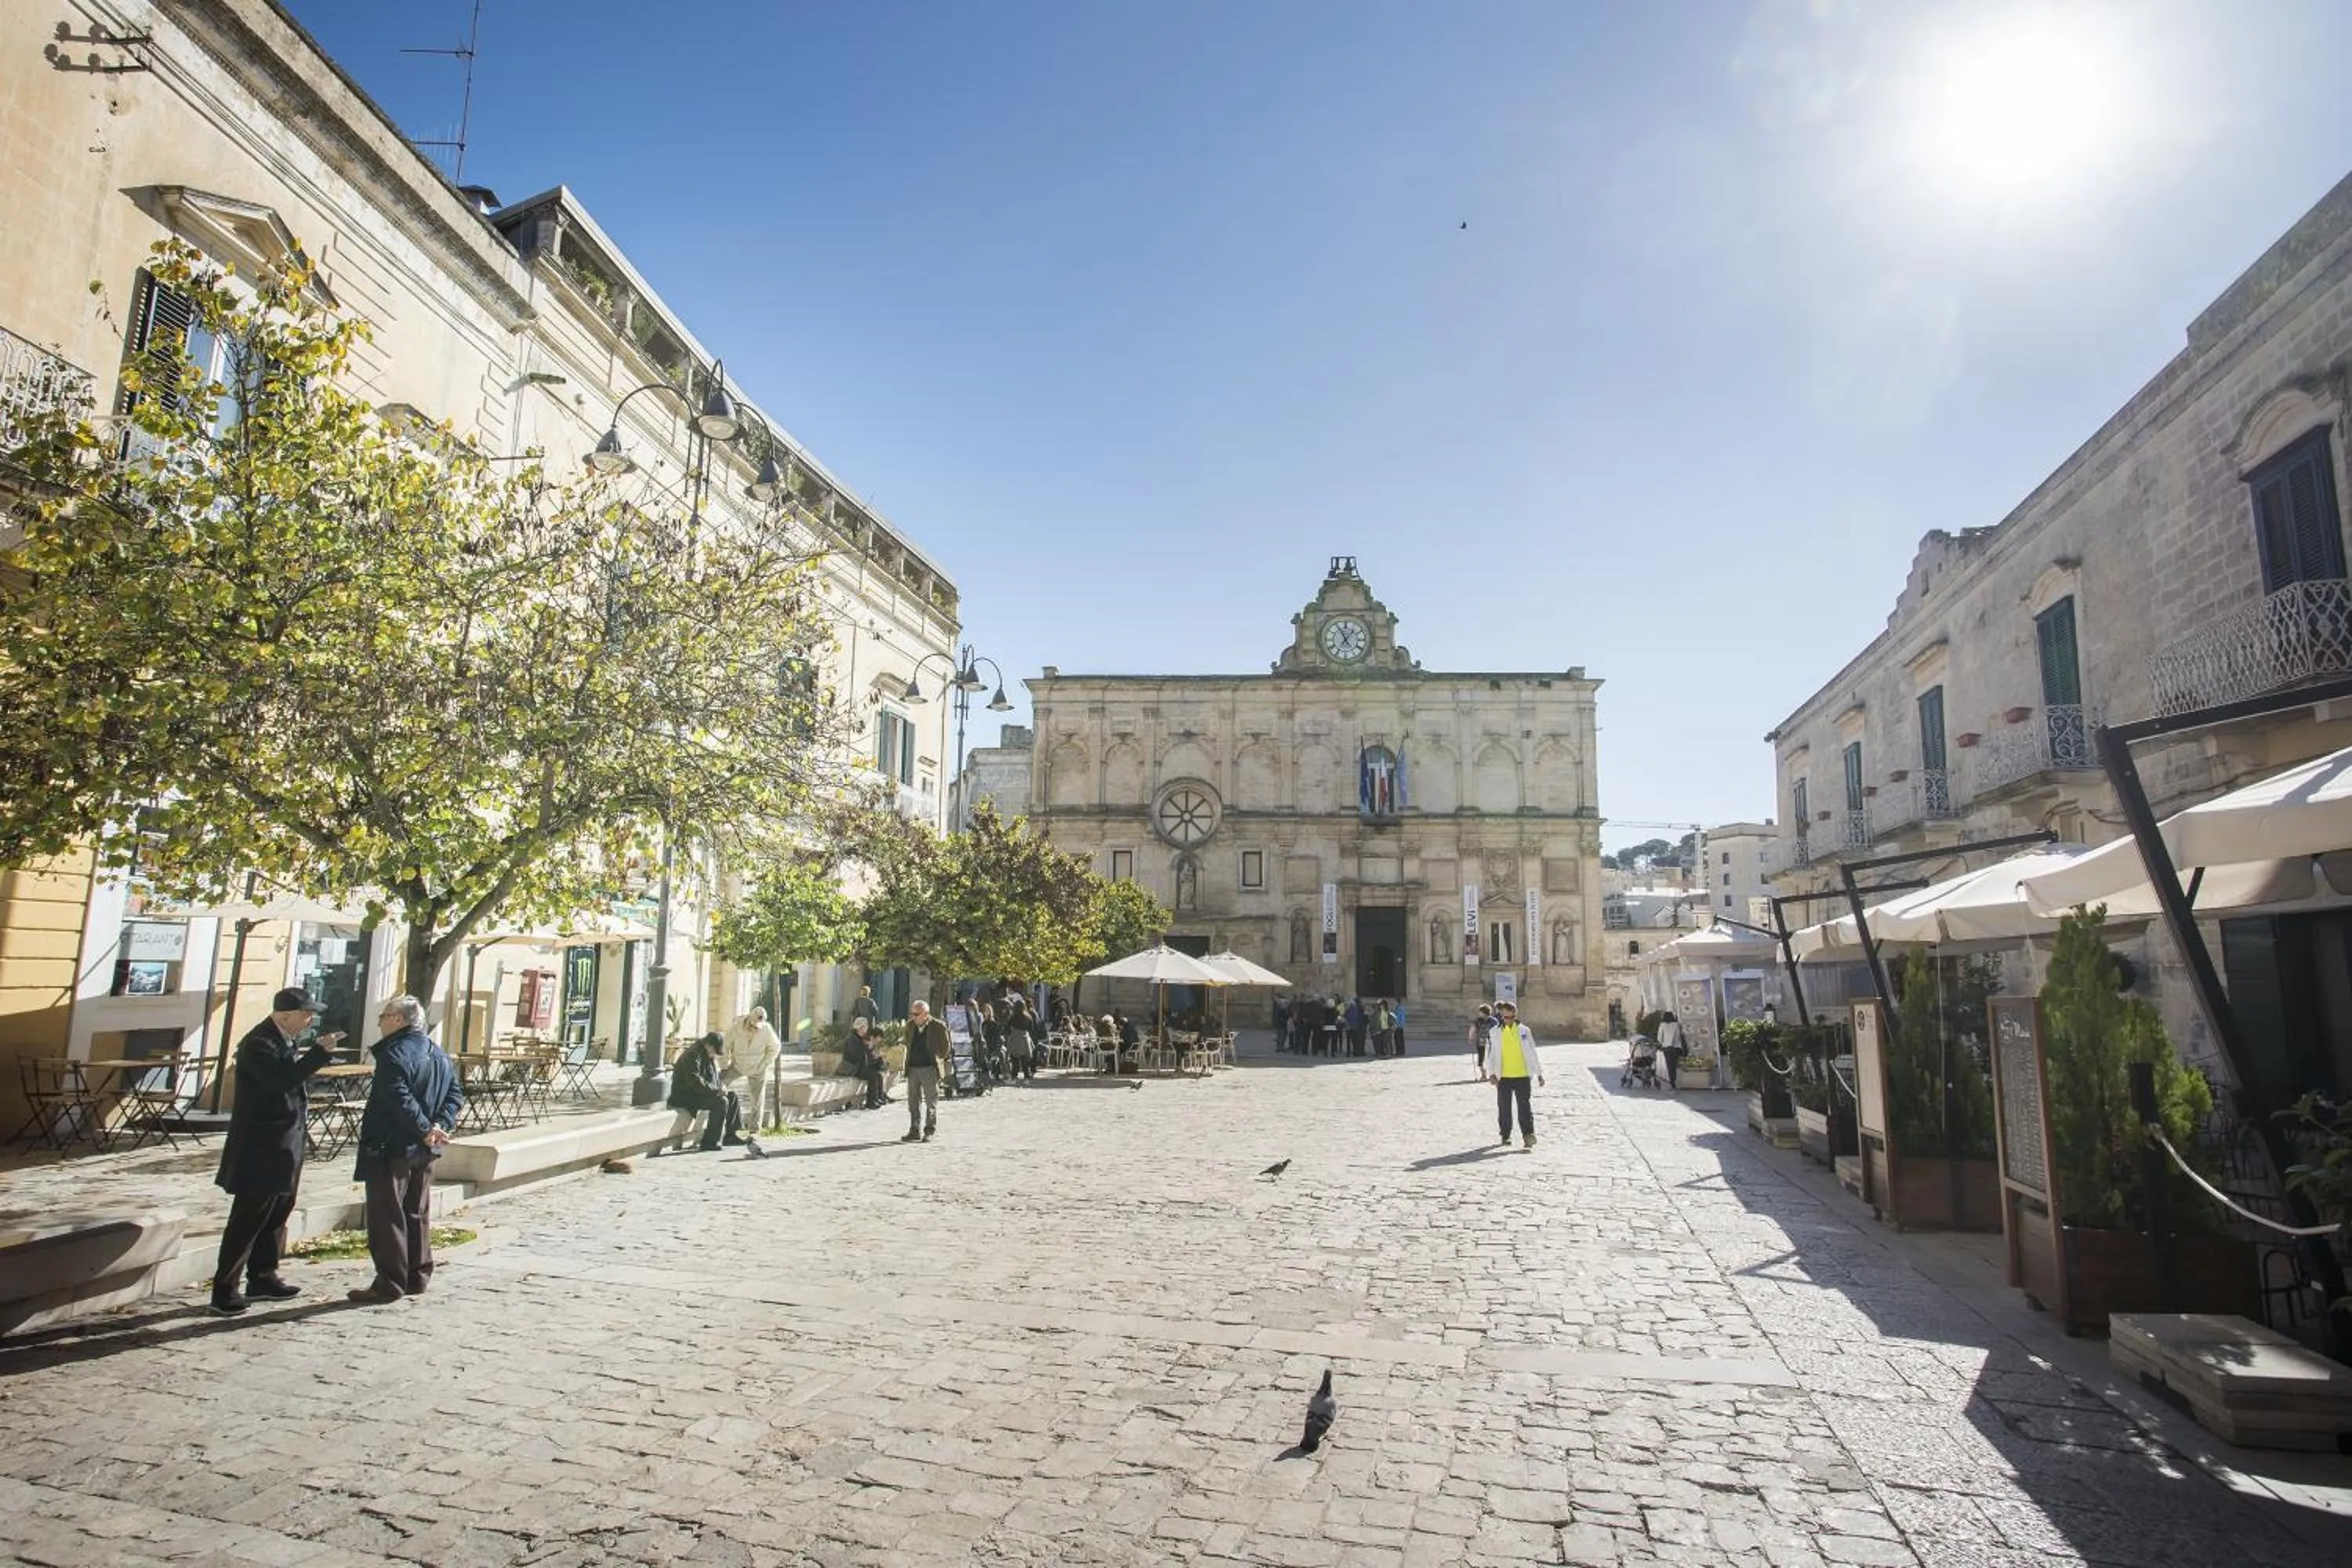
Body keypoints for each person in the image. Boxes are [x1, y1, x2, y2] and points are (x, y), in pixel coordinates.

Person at [209, 987, 343, 1316]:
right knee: (249, 1218)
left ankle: (263, 1277)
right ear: (284, 1016)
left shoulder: (284, 1039)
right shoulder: (258, 1043)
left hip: (285, 1143)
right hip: (261, 1146)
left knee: (277, 1211)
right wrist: (319, 1054)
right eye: (305, 1014)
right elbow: (279, 1081)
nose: (310, 1019)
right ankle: (224, 1290)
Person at [349, 995, 463, 1305]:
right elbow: (454, 1094)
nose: (380, 1022)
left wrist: (428, 1128)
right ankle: (416, 1274)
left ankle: (390, 1281)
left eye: (384, 1016)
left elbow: (398, 1098)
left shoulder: (394, 1053)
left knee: (387, 1215)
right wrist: (439, 1125)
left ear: (399, 1020)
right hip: (423, 1147)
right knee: (416, 1211)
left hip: (392, 1145)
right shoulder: (436, 1052)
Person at [1480, 1000, 1546, 1149]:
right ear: (1501, 1016)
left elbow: (1532, 1051)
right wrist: (1490, 1073)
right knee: (1504, 1108)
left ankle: (1528, 1135)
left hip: (1522, 1074)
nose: (1507, 1020)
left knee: (1525, 1107)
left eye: (1510, 1017)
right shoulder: (1495, 1032)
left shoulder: (1524, 1031)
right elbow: (1490, 1054)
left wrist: (1539, 1074)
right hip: (1503, 1076)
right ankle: (1506, 1135)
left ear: (1515, 1016)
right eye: (1504, 1018)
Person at [669, 1032, 744, 1150]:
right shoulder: (693, 1055)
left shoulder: (707, 1054)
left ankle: (730, 1136)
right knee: (720, 1102)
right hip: (687, 1096)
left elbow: (713, 1078)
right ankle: (710, 1141)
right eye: (714, 1051)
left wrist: (721, 1087)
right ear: (708, 1045)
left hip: (700, 1092)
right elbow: (695, 1081)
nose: (714, 1054)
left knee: (732, 1097)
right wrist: (716, 1091)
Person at [724, 1006, 782, 1131]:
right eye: (753, 1025)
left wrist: (765, 1064)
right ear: (748, 1019)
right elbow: (725, 1046)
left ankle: (754, 1130)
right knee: (720, 1085)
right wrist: (724, 1064)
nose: (755, 1028)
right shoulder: (736, 1028)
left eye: (757, 1026)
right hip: (737, 1065)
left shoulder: (766, 1029)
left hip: (758, 1068)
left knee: (758, 1100)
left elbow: (775, 1048)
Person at [902, 1000, 947, 1142]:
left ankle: (929, 1130)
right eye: (912, 1013)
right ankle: (914, 1130)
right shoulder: (910, 1026)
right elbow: (908, 1042)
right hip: (913, 1068)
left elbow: (945, 1048)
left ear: (926, 1014)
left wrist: (937, 1060)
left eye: (917, 1014)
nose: (914, 1016)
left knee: (931, 1101)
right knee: (913, 1102)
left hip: (929, 1068)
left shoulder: (938, 1026)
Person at [1006, 996, 1036, 1083]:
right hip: (1025, 1038)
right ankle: (1026, 1077)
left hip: (1015, 1038)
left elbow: (1008, 1027)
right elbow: (1032, 1029)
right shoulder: (1029, 1017)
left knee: (1014, 1058)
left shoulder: (1013, 1017)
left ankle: (1014, 1077)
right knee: (1025, 1059)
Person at [1659, 1011, 1687, 1092]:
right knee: (1675, 1065)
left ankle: (1673, 1084)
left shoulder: (1662, 1025)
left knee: (1670, 1066)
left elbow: (1659, 1038)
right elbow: (1680, 1036)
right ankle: (1676, 1081)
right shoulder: (1677, 1025)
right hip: (1676, 1048)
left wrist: (1663, 1042)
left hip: (1667, 1048)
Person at [1468, 1003, 1497, 1071]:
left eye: (1480, 1012)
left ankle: (1486, 1073)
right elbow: (1473, 1028)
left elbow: (1472, 1029)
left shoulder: (1480, 1020)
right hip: (1486, 1042)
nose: (1479, 1013)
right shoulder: (1492, 1020)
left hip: (1486, 1042)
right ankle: (1485, 1073)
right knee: (1485, 1057)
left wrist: (1471, 1038)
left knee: (1485, 1057)